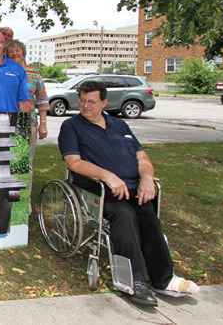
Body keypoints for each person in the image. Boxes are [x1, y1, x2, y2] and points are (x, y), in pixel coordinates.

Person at [58, 81, 199, 305]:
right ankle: (134, 281)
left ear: (104, 102)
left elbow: (141, 157)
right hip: (100, 189)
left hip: (133, 187)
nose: (85, 106)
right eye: (82, 100)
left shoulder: (120, 125)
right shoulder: (71, 126)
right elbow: (74, 163)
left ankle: (164, 278)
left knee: (149, 218)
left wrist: (147, 178)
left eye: (91, 101)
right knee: (124, 215)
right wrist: (108, 176)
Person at [5, 39, 49, 213]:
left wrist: (43, 125)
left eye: (18, 50)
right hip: (8, 123)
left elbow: (43, 100)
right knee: (7, 162)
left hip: (29, 124)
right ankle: (8, 197)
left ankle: (26, 201)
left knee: (26, 164)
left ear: (24, 53)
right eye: (11, 51)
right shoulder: (5, 72)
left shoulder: (34, 73)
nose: (15, 53)